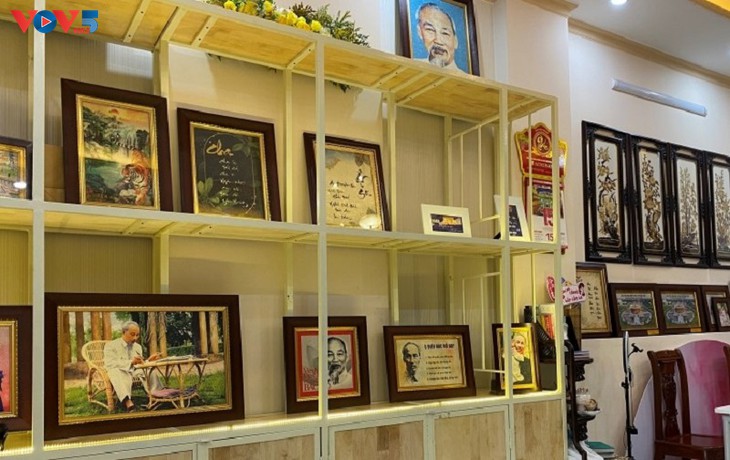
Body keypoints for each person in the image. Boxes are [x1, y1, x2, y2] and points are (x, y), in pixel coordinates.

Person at [103, 320, 162, 412]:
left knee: (150, 370)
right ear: (123, 332)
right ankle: (128, 402)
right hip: (118, 371)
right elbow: (110, 363)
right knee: (115, 372)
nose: (135, 338)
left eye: (137, 335)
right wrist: (131, 362)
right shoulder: (111, 346)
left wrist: (148, 360)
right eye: (132, 334)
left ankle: (157, 396)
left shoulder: (138, 347)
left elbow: (139, 364)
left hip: (134, 371)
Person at [415, 3, 464, 72]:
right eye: (430, 30)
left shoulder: (465, 77)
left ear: (456, 41)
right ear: (420, 32)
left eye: (445, 33)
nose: (438, 41)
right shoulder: (413, 66)